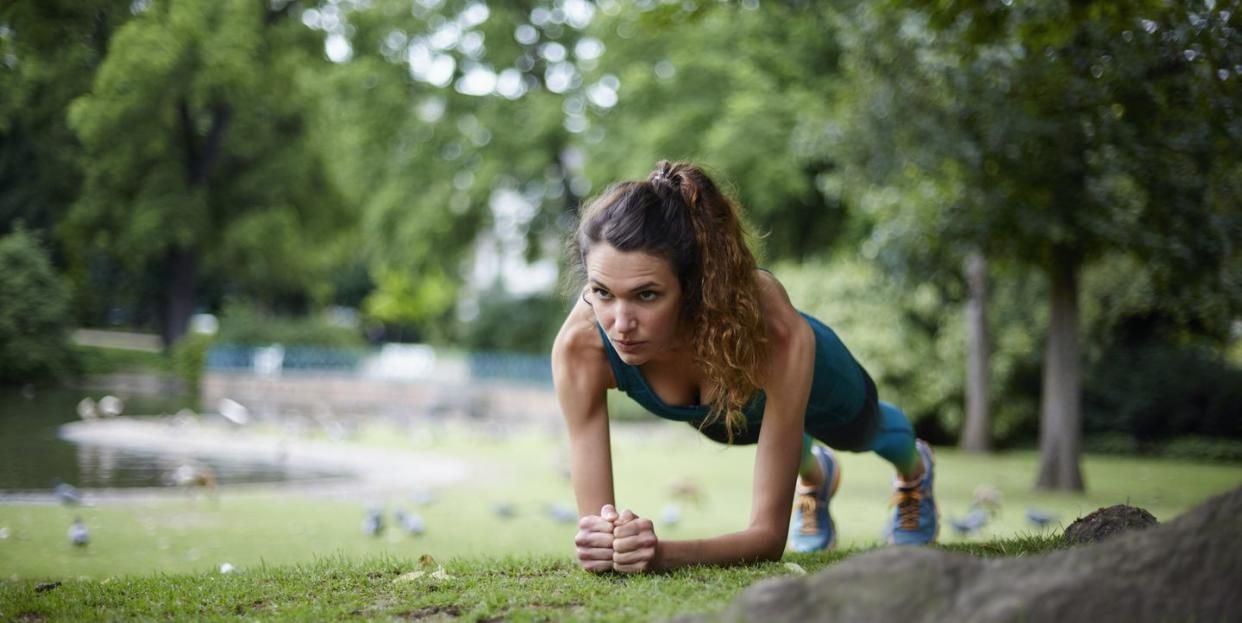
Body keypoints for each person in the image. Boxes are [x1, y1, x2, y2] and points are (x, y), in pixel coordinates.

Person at [552, 161, 938, 574]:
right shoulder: (581, 346)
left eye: (647, 295)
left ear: (696, 285)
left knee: (867, 431)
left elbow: (767, 539)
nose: (620, 324)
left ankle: (914, 470)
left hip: (821, 381)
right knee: (763, 433)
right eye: (602, 292)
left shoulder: (777, 332)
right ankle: (815, 475)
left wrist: (660, 553)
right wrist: (605, 541)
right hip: (730, 418)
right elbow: (596, 524)